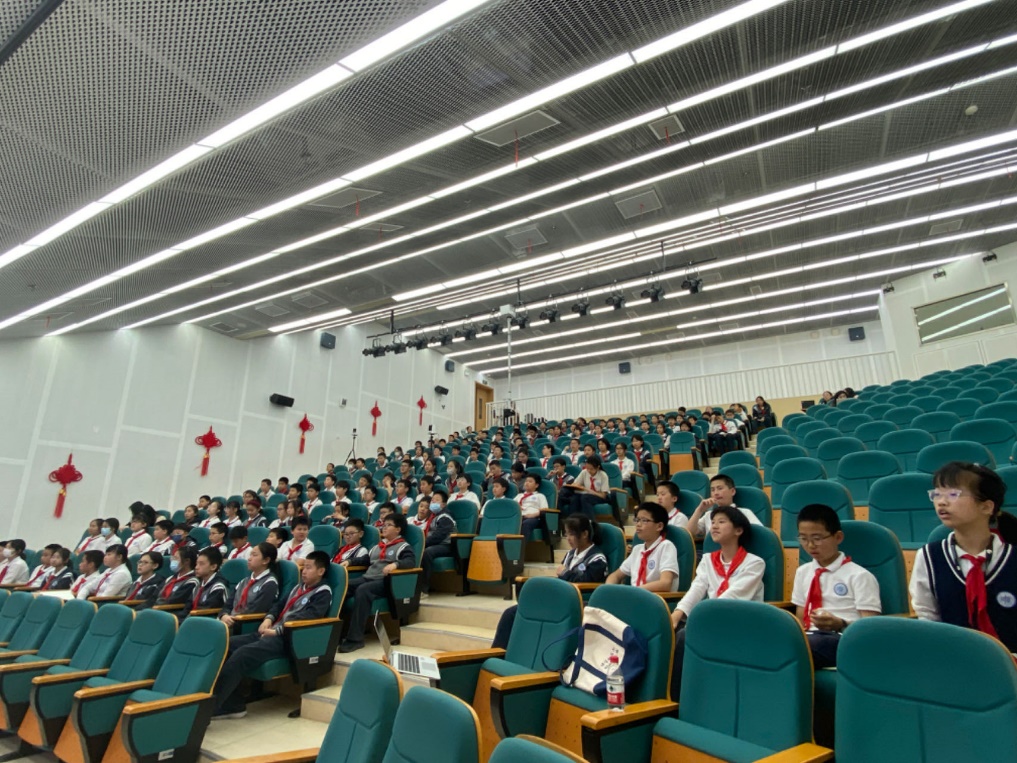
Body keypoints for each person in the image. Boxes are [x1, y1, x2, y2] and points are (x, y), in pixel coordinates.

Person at [910, 462, 1017, 651]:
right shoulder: (928, 557)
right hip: (953, 660)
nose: (941, 502)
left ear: (986, 507)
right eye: (936, 494)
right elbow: (928, 619)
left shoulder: (1012, 557)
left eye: (953, 494)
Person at [213, 551, 333, 719]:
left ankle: (212, 707)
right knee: (226, 644)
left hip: (289, 639)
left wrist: (277, 630)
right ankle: (233, 703)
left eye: (308, 568)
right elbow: (279, 606)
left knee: (243, 654)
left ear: (321, 571)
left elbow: (308, 617)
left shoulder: (323, 592)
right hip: (272, 632)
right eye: (304, 567)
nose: (303, 571)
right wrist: (268, 619)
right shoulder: (298, 587)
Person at [669, 506, 766, 695]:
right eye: (712, 522)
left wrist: (700, 619)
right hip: (711, 620)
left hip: (742, 624)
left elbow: (733, 597)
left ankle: (676, 697)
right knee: (669, 631)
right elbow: (696, 589)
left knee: (685, 636)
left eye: (721, 522)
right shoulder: (707, 560)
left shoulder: (754, 563)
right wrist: (676, 615)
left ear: (738, 530)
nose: (714, 526)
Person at [792, 504, 881, 668]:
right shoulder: (802, 572)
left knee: (798, 648)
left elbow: (870, 628)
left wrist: (840, 623)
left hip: (843, 639)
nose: (810, 545)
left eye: (817, 538)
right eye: (803, 539)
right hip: (808, 636)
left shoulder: (859, 576)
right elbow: (800, 618)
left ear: (838, 537)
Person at [339, 513, 416, 653]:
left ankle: (355, 639)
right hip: (368, 577)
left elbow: (410, 561)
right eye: (383, 525)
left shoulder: (403, 546)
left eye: (388, 525)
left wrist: (395, 565)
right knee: (344, 587)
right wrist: (350, 561)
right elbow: (365, 560)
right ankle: (339, 633)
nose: (384, 528)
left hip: (386, 582)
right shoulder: (378, 546)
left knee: (363, 590)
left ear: (398, 529)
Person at [606, 503, 680, 592]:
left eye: (644, 520)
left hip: (655, 598)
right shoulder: (637, 549)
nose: (638, 524)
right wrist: (609, 589)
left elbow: (665, 583)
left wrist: (634, 592)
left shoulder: (666, 546)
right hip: (634, 596)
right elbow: (615, 576)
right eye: (637, 520)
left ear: (659, 526)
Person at [686, 474, 763, 540]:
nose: (716, 493)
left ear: (732, 491)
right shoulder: (708, 515)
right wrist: (699, 510)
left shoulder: (744, 512)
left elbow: (760, 534)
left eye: (720, 488)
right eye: (712, 490)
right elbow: (689, 532)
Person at [419, 489, 456, 598]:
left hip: (447, 545)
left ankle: (424, 589)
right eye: (432, 500)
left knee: (427, 552)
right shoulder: (433, 516)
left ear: (443, 504)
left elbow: (439, 536)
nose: (433, 502)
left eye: (437, 500)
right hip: (437, 545)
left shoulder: (445, 516)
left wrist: (423, 544)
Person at [561, 455, 609, 520]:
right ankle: (572, 520)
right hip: (586, 494)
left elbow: (603, 495)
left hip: (598, 496)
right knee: (575, 498)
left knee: (585, 498)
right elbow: (576, 483)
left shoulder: (603, 475)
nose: (589, 471)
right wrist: (576, 486)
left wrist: (589, 490)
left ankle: (589, 521)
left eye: (591, 469)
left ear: (598, 467)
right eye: (587, 468)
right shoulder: (584, 472)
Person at [190, 547, 229, 615]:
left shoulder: (218, 587)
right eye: (196, 564)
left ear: (213, 567)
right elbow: (187, 608)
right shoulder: (198, 586)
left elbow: (206, 611)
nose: (196, 567)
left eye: (201, 564)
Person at [516, 474, 548, 541]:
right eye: (526, 481)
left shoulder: (540, 496)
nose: (527, 483)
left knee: (526, 523)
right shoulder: (519, 496)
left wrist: (532, 515)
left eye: (530, 481)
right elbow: (511, 507)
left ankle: (521, 546)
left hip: (534, 519)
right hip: (519, 517)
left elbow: (544, 510)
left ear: (536, 485)